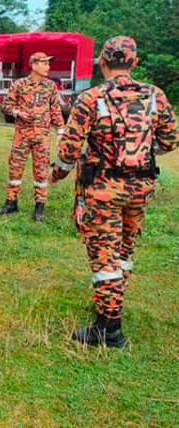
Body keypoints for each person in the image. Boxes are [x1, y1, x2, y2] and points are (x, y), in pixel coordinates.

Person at [49, 36, 179, 347]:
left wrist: (57, 173)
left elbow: (68, 150)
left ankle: (109, 329)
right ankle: (113, 303)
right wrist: (142, 153)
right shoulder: (155, 96)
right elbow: (170, 140)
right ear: (133, 63)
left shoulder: (92, 97)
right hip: (142, 185)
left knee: (104, 253)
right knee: (125, 247)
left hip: (104, 187)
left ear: (103, 63)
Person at [0, 52, 64, 222]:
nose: (48, 67)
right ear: (34, 65)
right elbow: (6, 106)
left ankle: (39, 206)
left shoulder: (50, 86)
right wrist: (19, 113)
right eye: (45, 63)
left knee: (41, 172)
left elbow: (55, 110)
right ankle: (11, 202)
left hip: (42, 137)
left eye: (49, 63)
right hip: (22, 136)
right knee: (15, 169)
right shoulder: (19, 84)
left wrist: (60, 132)